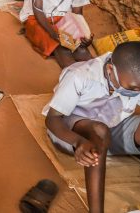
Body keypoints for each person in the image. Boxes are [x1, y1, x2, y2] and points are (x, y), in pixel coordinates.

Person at [44, 41, 140, 213]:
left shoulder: (133, 79)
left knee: (104, 131)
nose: (135, 92)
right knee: (99, 131)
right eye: (132, 88)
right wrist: (78, 141)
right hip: (71, 134)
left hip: (112, 127)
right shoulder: (79, 76)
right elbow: (52, 120)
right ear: (110, 70)